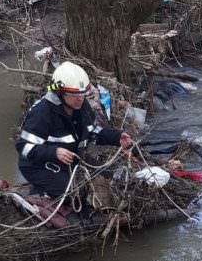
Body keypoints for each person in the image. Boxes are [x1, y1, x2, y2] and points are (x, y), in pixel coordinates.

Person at [15, 61, 133, 202]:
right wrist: (54, 152)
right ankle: (40, 189)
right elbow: (23, 146)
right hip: (39, 166)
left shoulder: (82, 107)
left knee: (111, 179)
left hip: (72, 159)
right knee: (76, 195)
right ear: (60, 92)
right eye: (74, 94)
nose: (80, 98)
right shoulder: (42, 113)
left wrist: (117, 137)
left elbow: (93, 133)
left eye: (83, 93)